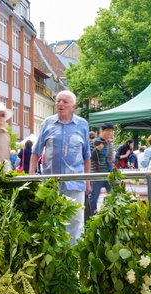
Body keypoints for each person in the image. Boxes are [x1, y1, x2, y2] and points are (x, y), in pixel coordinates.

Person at [29, 90, 91, 245]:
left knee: (75, 221)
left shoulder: (82, 124)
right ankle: (55, 255)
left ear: (73, 106)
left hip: (75, 182)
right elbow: (36, 152)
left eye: (64, 101)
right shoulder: (47, 123)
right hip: (51, 183)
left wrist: (87, 181)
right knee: (51, 219)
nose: (60, 104)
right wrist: (31, 175)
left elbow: (87, 156)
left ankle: (73, 255)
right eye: (58, 101)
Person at [86, 123, 114, 221]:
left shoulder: (109, 143)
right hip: (96, 175)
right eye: (108, 131)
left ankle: (110, 216)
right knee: (93, 198)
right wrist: (97, 150)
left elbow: (111, 159)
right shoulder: (93, 142)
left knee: (114, 196)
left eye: (111, 131)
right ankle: (91, 219)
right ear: (102, 131)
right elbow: (89, 158)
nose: (110, 133)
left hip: (108, 175)